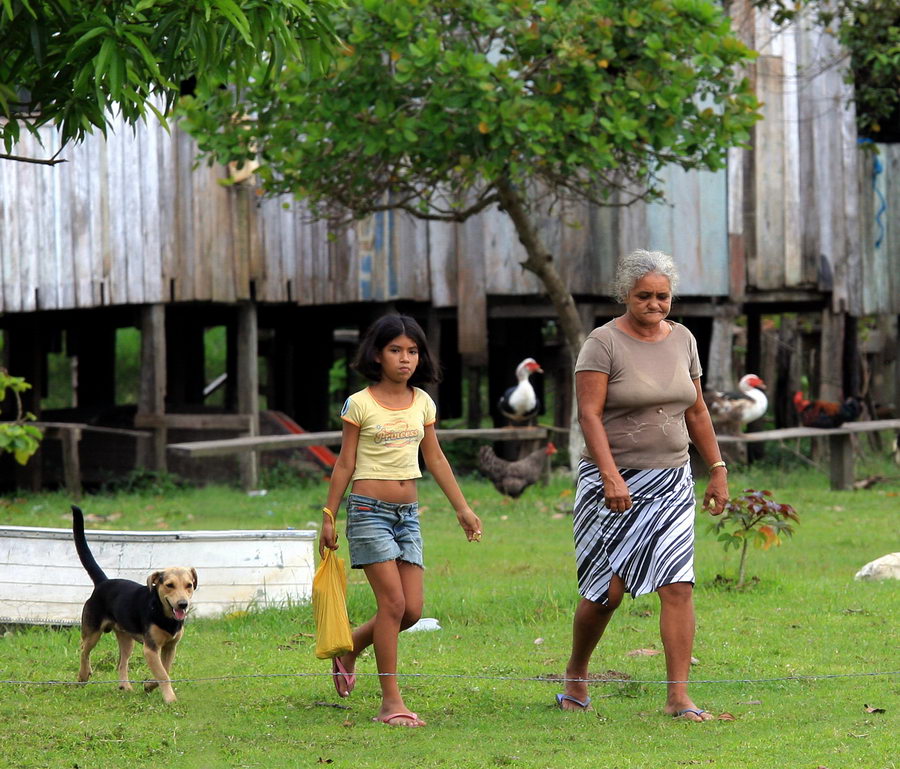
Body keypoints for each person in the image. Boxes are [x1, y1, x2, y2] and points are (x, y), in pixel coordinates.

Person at [558, 249, 729, 721]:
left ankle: (678, 696)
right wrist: (610, 473)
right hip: (611, 481)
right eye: (644, 296)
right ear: (626, 296)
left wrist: (716, 467)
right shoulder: (602, 343)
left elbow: (695, 410)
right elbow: (588, 414)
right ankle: (576, 673)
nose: (655, 304)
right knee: (606, 593)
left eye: (663, 296)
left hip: (672, 479)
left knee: (678, 585)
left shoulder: (684, 339)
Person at [320, 313, 483, 728]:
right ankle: (390, 702)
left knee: (411, 611)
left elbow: (436, 458)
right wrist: (329, 515)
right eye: (396, 350)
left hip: (408, 516)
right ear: (378, 355)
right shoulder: (359, 403)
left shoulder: (423, 402)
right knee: (391, 604)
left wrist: (462, 508)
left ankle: (351, 647)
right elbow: (345, 463)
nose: (405, 359)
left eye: (412, 351)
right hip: (367, 511)